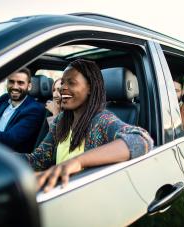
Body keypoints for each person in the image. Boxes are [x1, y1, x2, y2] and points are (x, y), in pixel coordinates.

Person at [23, 59, 153, 192]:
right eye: (62, 82)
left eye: (71, 83)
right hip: (59, 191)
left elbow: (141, 140)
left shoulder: (101, 119)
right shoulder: (61, 120)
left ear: (90, 87)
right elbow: (38, 160)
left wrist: (77, 162)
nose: (62, 88)